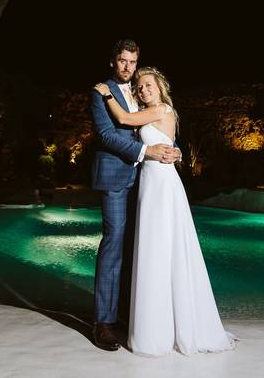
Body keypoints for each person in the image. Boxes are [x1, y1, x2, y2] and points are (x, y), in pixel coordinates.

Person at [94, 66, 236, 356]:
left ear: (160, 88)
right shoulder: (156, 109)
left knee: (158, 248)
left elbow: (123, 119)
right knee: (153, 248)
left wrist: (107, 94)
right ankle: (149, 321)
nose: (143, 89)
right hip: (147, 180)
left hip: (158, 182)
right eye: (140, 86)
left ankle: (156, 329)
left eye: (148, 85)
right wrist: (176, 151)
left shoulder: (158, 108)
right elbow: (158, 141)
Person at [90, 40, 180, 352]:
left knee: (139, 245)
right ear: (112, 61)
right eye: (122, 61)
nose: (128, 67)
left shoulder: (143, 95)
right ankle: (103, 321)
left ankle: (131, 314)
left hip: (145, 180)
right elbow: (106, 135)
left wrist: (173, 150)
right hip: (114, 177)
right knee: (114, 242)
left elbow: (157, 126)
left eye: (132, 61)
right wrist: (147, 150)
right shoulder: (100, 91)